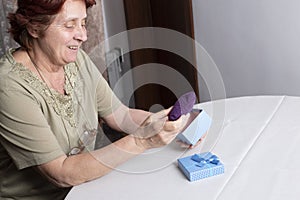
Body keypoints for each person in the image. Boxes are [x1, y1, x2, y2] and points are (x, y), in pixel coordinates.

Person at [0, 0, 198, 199]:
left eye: (83, 23)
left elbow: (121, 115)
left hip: (85, 189)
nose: (83, 36)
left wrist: (175, 127)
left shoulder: (78, 61)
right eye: (70, 25)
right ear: (34, 27)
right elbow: (61, 173)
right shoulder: (8, 87)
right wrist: (141, 141)